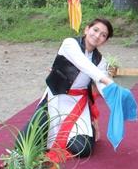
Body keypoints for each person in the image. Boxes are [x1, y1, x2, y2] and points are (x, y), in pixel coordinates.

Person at [41, 18, 115, 159]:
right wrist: (106, 80)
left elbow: (102, 86)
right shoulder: (69, 43)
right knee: (27, 141)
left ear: (105, 41)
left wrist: (116, 97)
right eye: (95, 30)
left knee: (83, 149)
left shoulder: (100, 60)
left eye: (103, 35)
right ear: (87, 29)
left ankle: (89, 129)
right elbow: (83, 64)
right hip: (55, 98)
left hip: (77, 104)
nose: (98, 36)